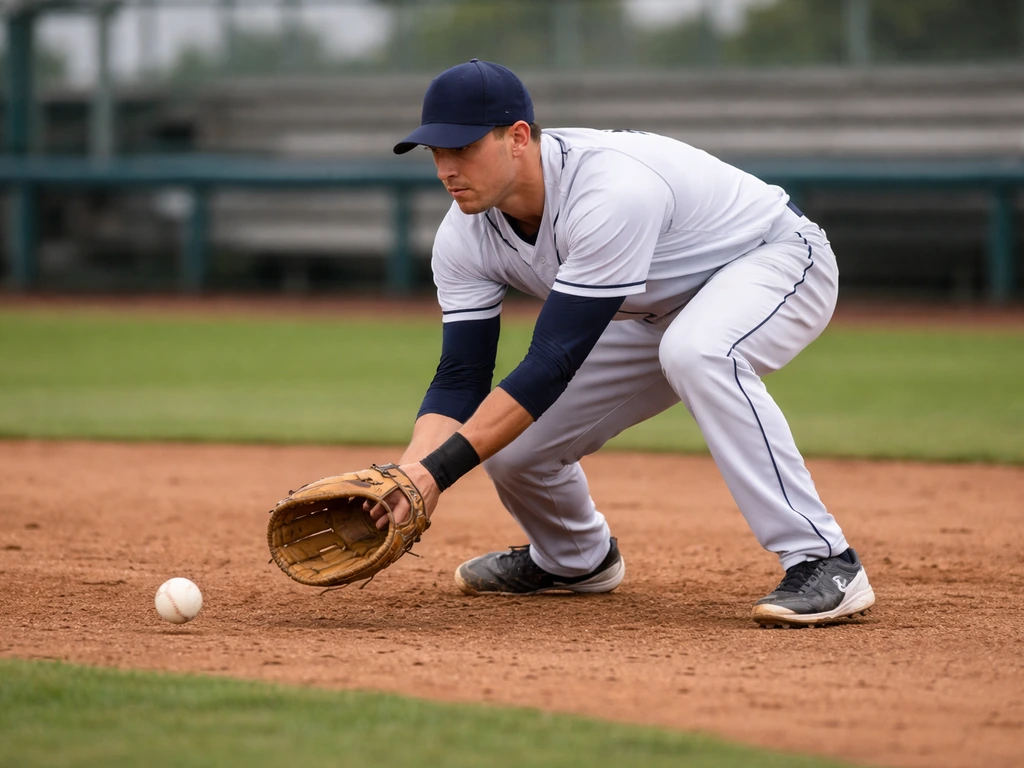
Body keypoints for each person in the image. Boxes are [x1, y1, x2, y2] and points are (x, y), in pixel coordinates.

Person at [375, 58, 875, 627]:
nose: (445, 168)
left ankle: (825, 558)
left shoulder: (610, 190)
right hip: (650, 307)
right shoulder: (463, 235)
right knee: (512, 447)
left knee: (699, 351)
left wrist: (438, 474)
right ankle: (575, 559)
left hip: (772, 258)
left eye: (461, 148)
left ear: (517, 138)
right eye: (435, 152)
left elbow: (553, 361)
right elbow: (461, 378)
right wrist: (406, 479)